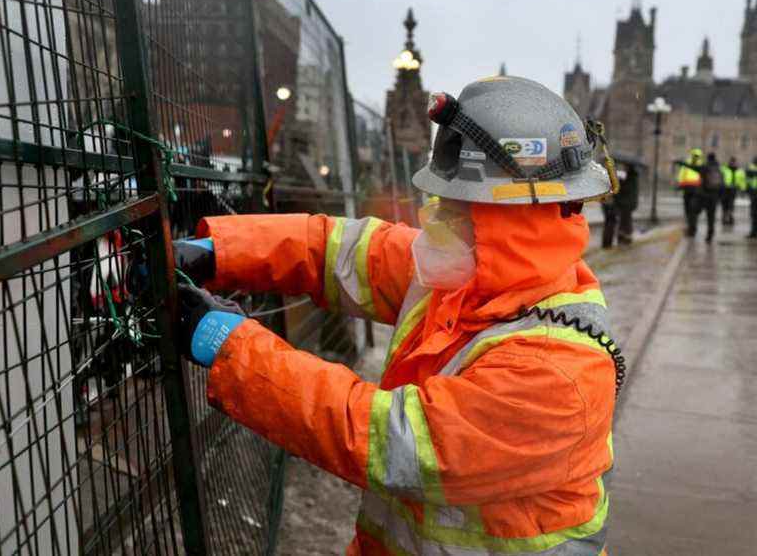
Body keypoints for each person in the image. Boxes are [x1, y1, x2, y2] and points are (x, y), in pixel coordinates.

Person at [175, 77, 619, 555]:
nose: (435, 223)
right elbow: (337, 250)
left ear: (512, 222)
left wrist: (233, 346)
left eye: (456, 209)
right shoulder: (471, 276)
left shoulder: (559, 370)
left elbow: (396, 443)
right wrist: (218, 252)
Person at [676, 150, 722, 242]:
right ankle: (710, 234)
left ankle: (692, 230)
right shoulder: (719, 170)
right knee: (711, 217)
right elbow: (722, 186)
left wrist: (681, 163)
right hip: (713, 198)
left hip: (702, 196)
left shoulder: (704, 167)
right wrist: (719, 198)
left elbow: (692, 167)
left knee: (693, 212)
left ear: (708, 159)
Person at [601, 161, 639, 248]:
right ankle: (620, 240)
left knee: (615, 222)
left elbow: (623, 190)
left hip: (621, 204)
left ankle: (617, 241)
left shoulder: (630, 177)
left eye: (626, 166)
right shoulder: (631, 177)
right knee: (618, 222)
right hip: (616, 203)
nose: (624, 168)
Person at [675, 148, 704, 237]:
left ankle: (692, 228)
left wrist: (679, 184)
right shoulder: (700, 164)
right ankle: (691, 227)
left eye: (696, 156)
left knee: (691, 210)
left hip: (693, 191)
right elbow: (681, 176)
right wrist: (679, 184)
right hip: (690, 190)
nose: (695, 157)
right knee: (689, 210)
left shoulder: (696, 164)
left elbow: (681, 176)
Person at [719, 157, 742, 227]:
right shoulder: (725, 169)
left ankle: (730, 218)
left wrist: (740, 187)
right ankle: (725, 218)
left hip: (733, 189)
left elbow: (741, 179)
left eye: (734, 162)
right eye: (732, 162)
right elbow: (720, 177)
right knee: (724, 204)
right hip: (725, 189)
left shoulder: (738, 170)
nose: (733, 163)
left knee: (731, 205)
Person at [746, 157, 757, 238]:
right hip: (754, 194)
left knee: (754, 214)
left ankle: (753, 232)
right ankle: (753, 231)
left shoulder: (750, 169)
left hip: (753, 194)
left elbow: (747, 181)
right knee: (753, 214)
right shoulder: (751, 169)